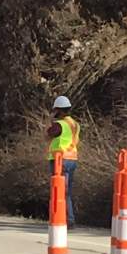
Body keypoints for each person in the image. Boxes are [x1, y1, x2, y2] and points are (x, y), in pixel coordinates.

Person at [45, 95, 79, 228]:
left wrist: (50, 120)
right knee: (67, 191)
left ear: (58, 110)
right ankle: (69, 219)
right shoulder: (75, 124)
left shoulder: (59, 125)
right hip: (72, 159)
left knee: (58, 190)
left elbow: (47, 135)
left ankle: (64, 219)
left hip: (60, 161)